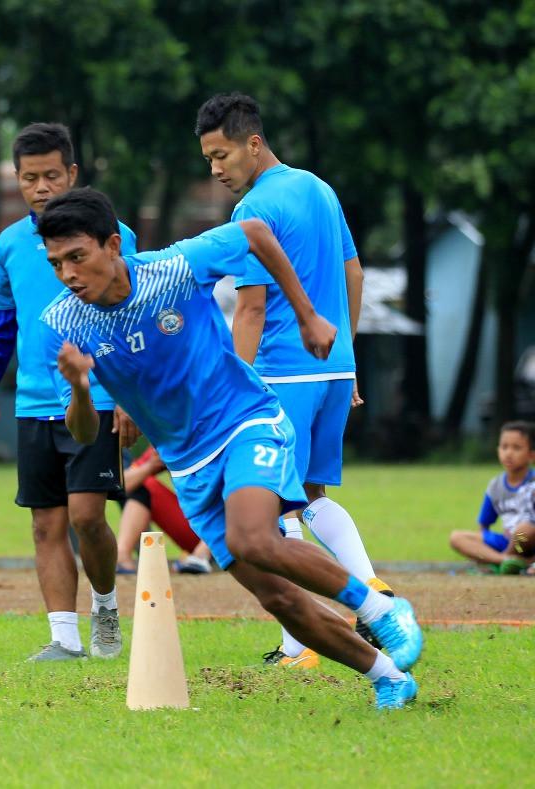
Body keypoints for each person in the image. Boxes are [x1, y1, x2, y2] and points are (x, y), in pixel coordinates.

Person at [38, 187, 423, 709]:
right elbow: (83, 433)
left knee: (253, 537)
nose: (67, 274)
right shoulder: (63, 324)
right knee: (277, 597)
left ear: (112, 245)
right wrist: (81, 389)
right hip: (188, 466)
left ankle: (380, 608)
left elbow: (256, 235)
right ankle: (388, 677)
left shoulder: (172, 268)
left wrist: (308, 315)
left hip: (245, 422)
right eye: (56, 263)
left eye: (76, 257)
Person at [196, 93, 392, 668]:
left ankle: (299, 645)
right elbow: (353, 271)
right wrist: (347, 354)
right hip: (332, 370)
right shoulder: (319, 188)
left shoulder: (252, 213)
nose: (215, 169)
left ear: (252, 143)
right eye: (208, 159)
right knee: (310, 497)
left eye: (221, 154)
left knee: (273, 510)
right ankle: (372, 588)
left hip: (283, 371)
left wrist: (232, 390)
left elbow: (251, 310)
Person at [0, 123, 140, 662]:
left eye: (52, 175)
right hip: (32, 403)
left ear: (72, 173)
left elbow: (131, 322)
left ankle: (106, 606)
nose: (42, 187)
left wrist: (129, 396)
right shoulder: (8, 246)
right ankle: (64, 639)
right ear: (18, 181)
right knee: (45, 523)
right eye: (31, 178)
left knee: (86, 517)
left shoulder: (111, 233)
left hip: (95, 400)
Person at [450, 421, 535, 574]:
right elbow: (484, 527)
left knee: (524, 530)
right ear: (498, 450)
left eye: (516, 448)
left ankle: (513, 561)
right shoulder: (495, 486)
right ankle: (506, 561)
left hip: (529, 542)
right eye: (504, 447)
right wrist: (480, 551)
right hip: (506, 542)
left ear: (531, 455)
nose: (509, 453)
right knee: (456, 537)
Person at [114, 447, 214, 575]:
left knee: (232, 488)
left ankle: (201, 556)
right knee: (142, 483)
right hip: (196, 529)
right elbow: (121, 485)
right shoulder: (168, 442)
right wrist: (150, 466)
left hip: (230, 531)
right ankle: (122, 556)